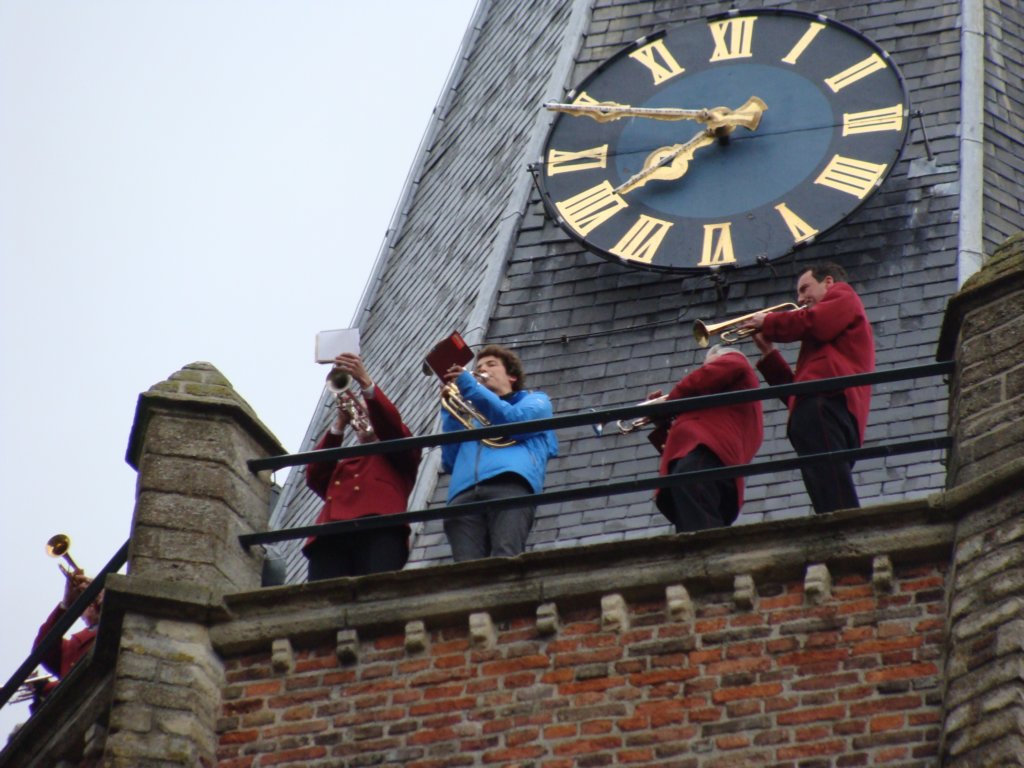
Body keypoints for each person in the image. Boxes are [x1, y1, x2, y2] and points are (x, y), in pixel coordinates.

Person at [742, 262, 874, 513]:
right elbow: (796, 392)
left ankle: (849, 533)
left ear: (828, 282)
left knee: (833, 489)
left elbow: (815, 323)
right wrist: (768, 353)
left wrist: (768, 322)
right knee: (824, 489)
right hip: (818, 406)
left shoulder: (843, 295)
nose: (800, 299)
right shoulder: (821, 347)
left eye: (805, 289)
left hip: (828, 402)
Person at [304, 353, 421, 580]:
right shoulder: (346, 461)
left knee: (378, 594)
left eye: (371, 416)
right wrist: (338, 426)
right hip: (332, 533)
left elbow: (391, 426)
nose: (364, 419)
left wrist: (365, 382)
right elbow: (314, 475)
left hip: (379, 530)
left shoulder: (400, 453)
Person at [440, 344, 558, 561]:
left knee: (506, 559)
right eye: (479, 366)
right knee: (465, 573)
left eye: (491, 364)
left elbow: (514, 422)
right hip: (463, 493)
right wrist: (451, 409)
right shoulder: (471, 415)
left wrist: (469, 386)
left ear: (511, 376)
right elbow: (450, 461)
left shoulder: (537, 401)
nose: (482, 369)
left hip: (509, 484)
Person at [647, 345, 763, 532]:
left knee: (690, 485)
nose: (703, 370)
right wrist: (661, 420)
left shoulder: (735, 360)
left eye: (706, 365)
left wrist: (670, 403)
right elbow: (682, 443)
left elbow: (705, 378)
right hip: (713, 465)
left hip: (707, 458)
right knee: (692, 525)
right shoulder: (726, 409)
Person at [32, 570, 102, 705]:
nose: (92, 603)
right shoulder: (73, 645)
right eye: (86, 602)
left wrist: (108, 600)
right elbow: (42, 649)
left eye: (96, 595)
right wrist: (67, 604)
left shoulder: (120, 622)